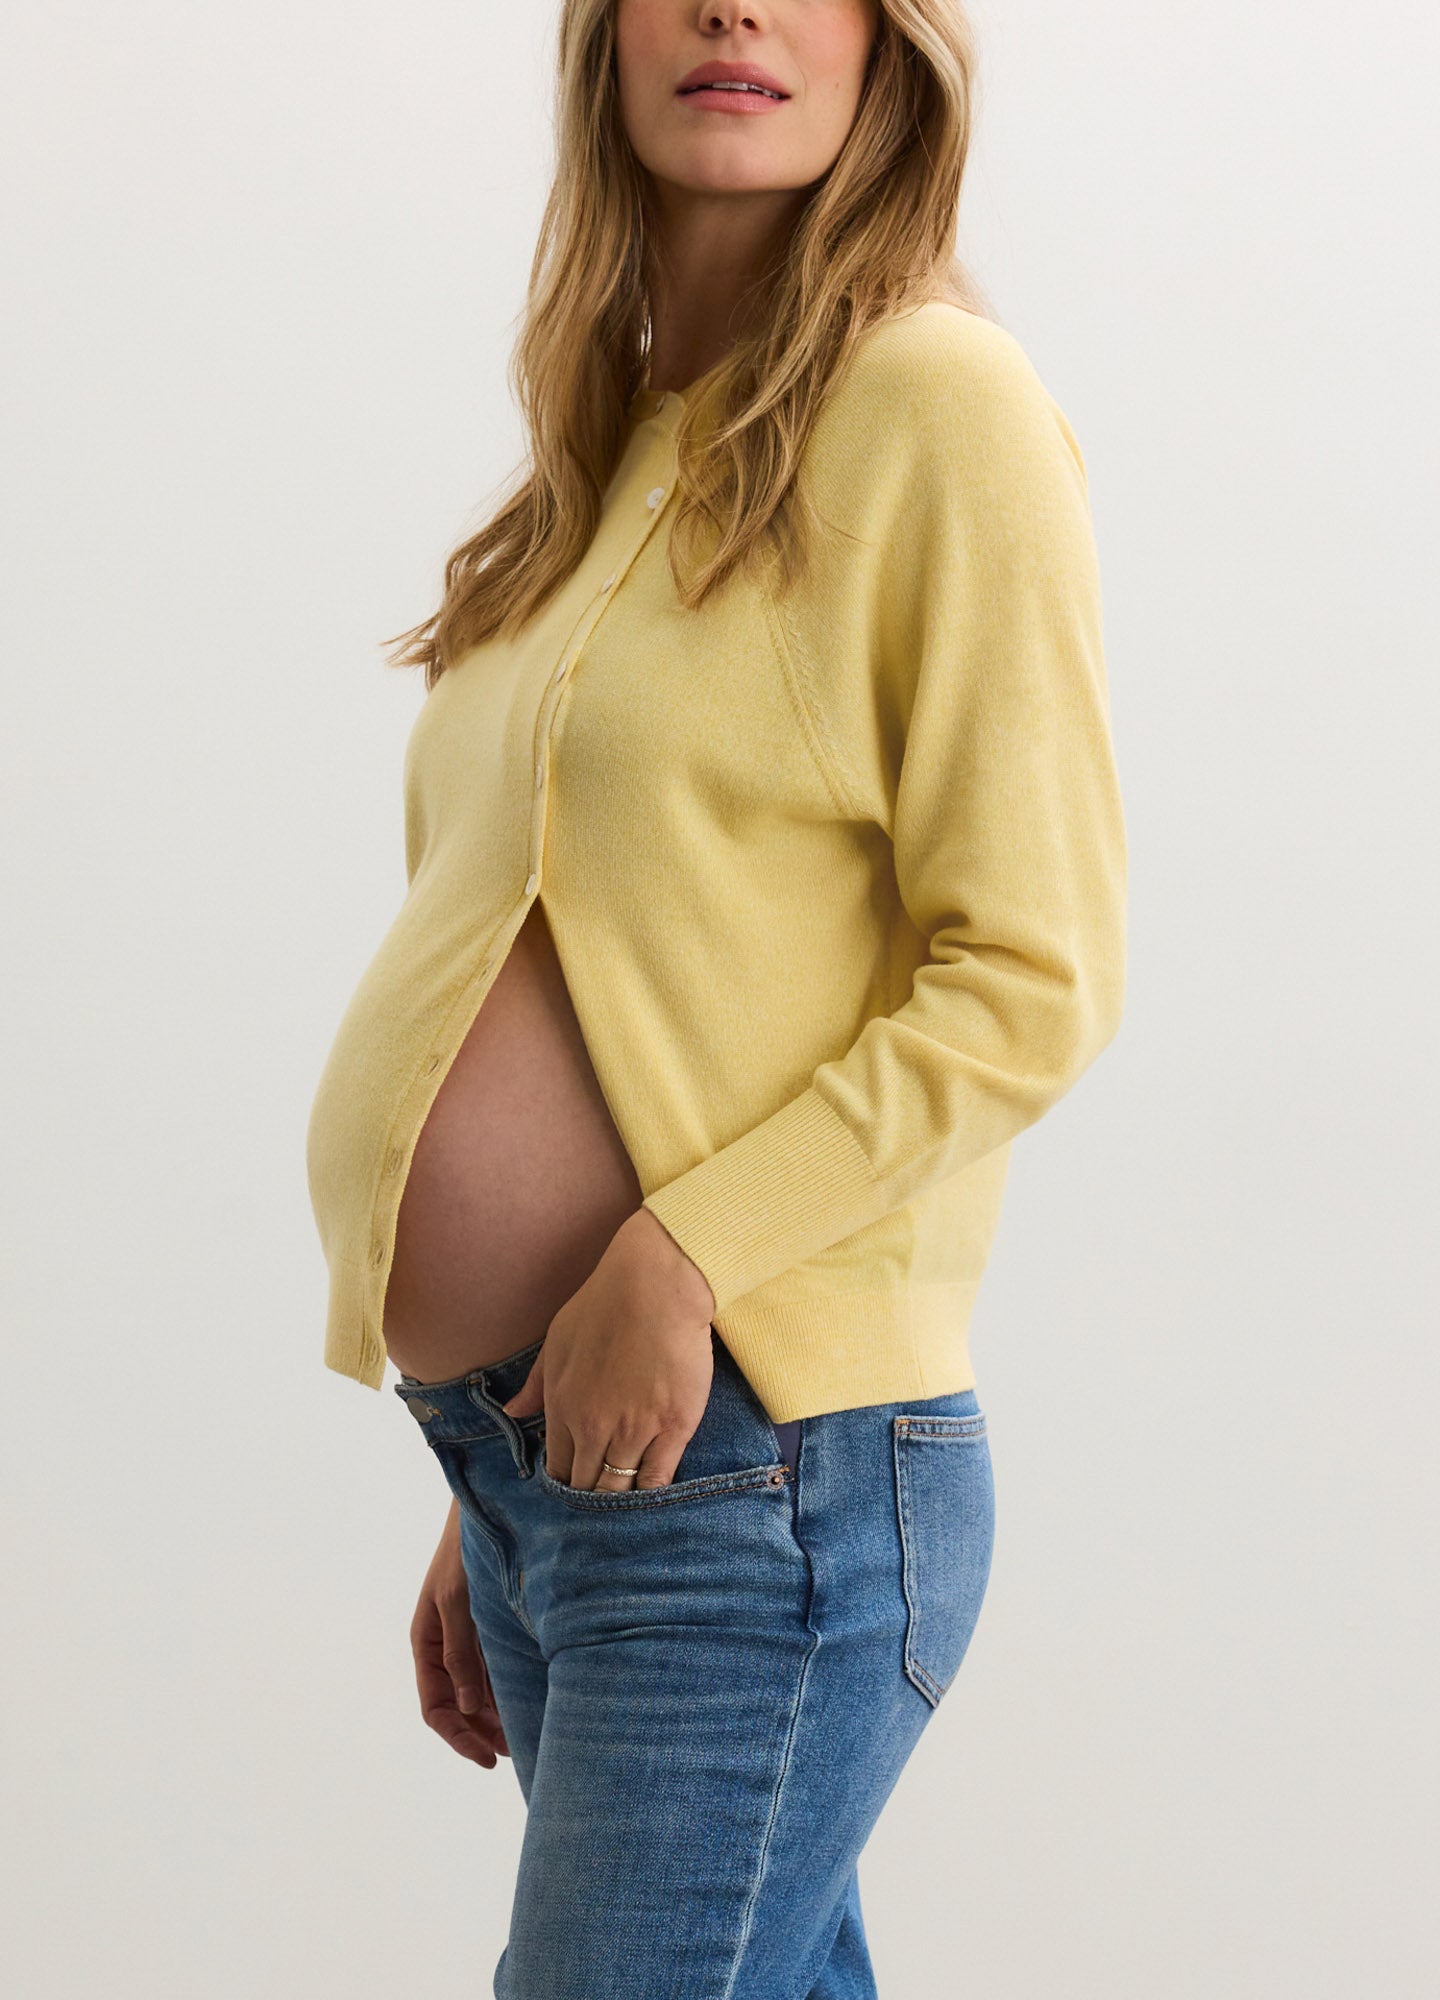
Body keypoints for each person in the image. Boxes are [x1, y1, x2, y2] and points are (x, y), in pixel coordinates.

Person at [303, 1, 1127, 1992]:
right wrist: (499, 1454)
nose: (735, 7)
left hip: (763, 1475)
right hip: (571, 1467)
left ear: (888, 45)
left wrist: (672, 1266)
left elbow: (1034, 967)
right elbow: (560, 961)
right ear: (599, 42)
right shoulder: (618, 457)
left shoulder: (941, 402)